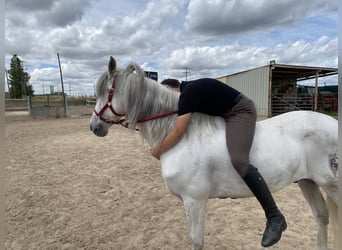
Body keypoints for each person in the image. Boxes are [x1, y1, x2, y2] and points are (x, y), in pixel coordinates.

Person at [151, 78, 287, 248]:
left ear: (172, 89)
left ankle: (274, 216)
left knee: (238, 159)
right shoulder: (190, 91)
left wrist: (158, 151)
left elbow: (179, 131)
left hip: (240, 111)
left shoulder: (188, 95)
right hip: (225, 113)